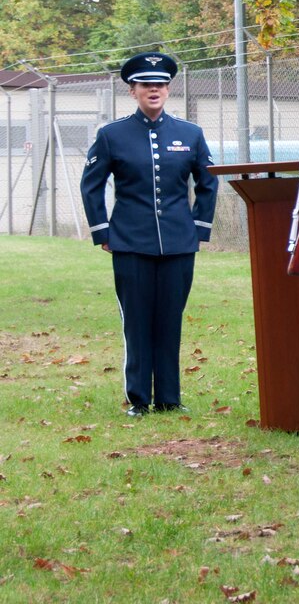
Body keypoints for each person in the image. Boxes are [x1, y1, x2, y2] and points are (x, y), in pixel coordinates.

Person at [80, 52, 218, 417]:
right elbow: (91, 185)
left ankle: (169, 398)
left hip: (178, 243)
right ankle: (139, 398)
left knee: (170, 319)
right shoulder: (112, 135)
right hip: (130, 242)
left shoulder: (190, 133)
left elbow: (208, 182)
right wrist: (102, 231)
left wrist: (199, 227)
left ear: (168, 89)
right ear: (133, 91)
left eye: (159, 84)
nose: (153, 90)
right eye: (145, 85)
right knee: (138, 321)